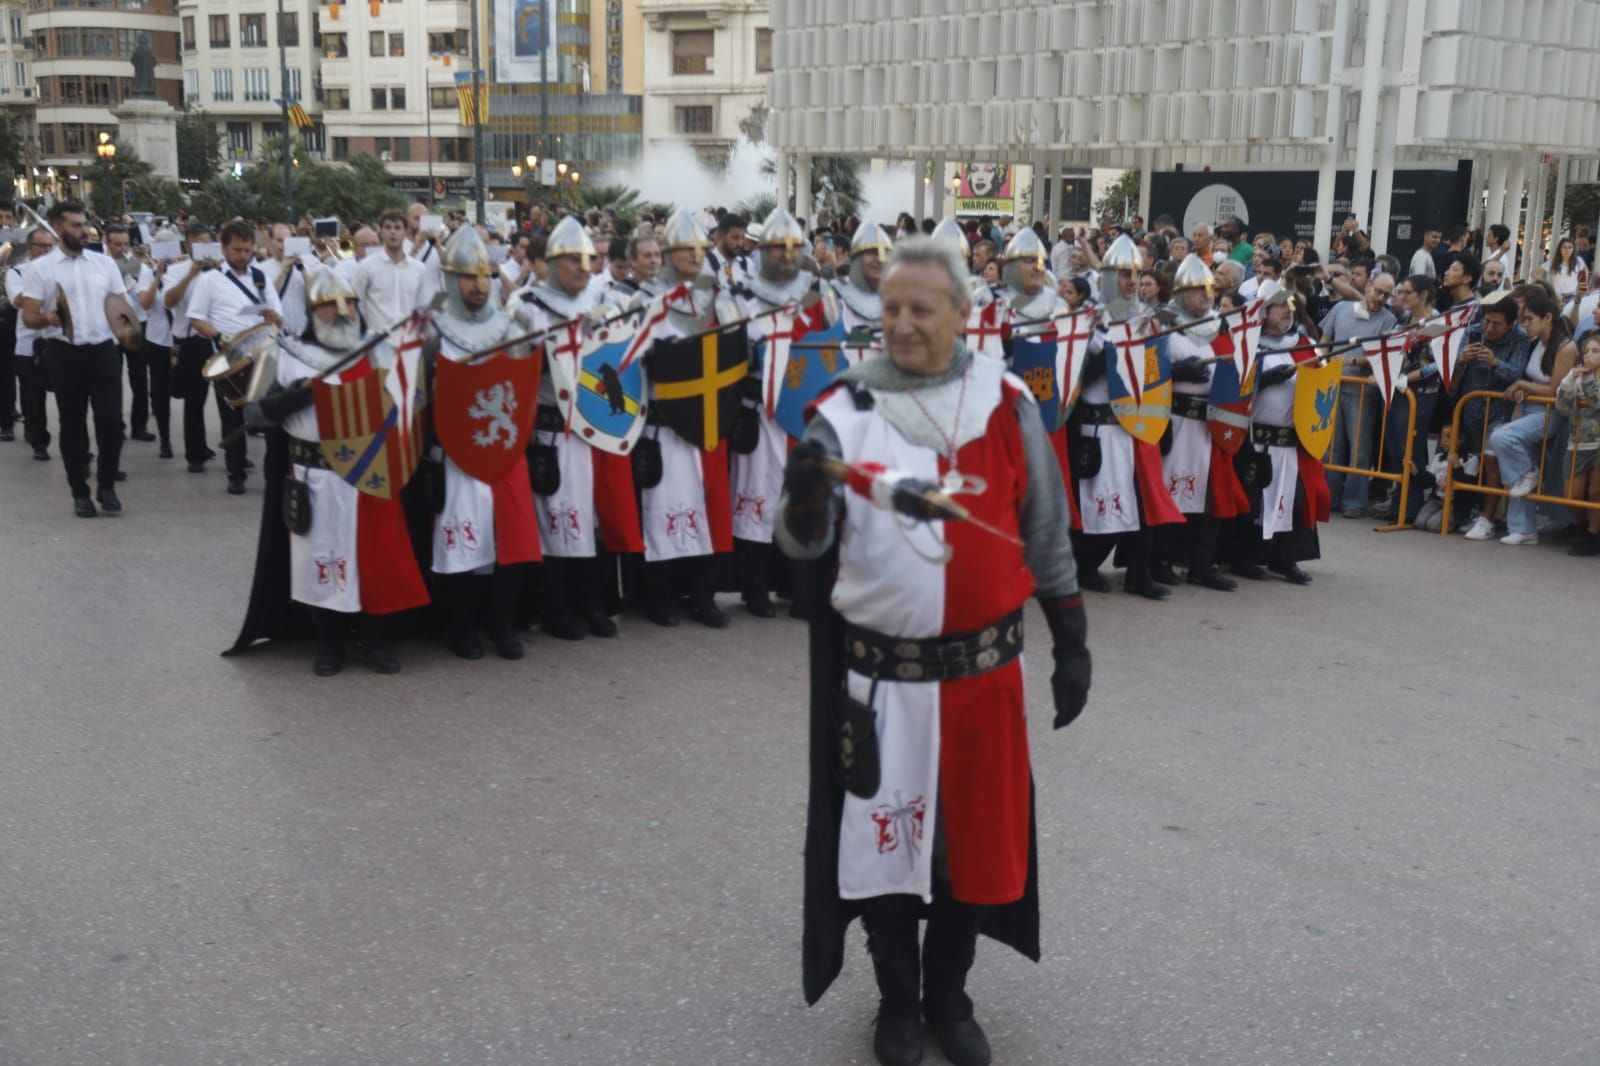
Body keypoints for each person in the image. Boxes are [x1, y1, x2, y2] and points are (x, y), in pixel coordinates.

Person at [777, 234, 1091, 1066]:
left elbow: (1046, 531)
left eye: (923, 308)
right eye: (891, 309)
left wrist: (1072, 638)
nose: (905, 324)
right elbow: (804, 549)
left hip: (985, 679)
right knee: (889, 846)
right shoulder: (843, 414)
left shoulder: (1008, 402)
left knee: (970, 851)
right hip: (886, 685)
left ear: (965, 313)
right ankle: (898, 1001)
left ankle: (950, 993)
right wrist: (805, 501)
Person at [236, 267, 430, 674]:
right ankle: (329, 644)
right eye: (329, 306)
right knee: (318, 561)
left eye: (349, 305)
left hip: (370, 470)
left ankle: (376, 640)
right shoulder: (285, 352)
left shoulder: (378, 351)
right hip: (313, 474)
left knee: (376, 559)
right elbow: (254, 415)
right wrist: (289, 400)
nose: (342, 313)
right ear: (311, 311)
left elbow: (405, 406)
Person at [517, 215, 643, 638]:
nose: (581, 267)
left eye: (586, 259)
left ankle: (593, 604)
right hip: (553, 431)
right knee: (558, 521)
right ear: (552, 261)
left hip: (600, 429)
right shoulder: (527, 307)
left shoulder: (603, 304)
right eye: (572, 259)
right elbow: (514, 370)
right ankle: (557, 609)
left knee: (596, 520)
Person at [427, 225, 543, 658]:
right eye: (467, 277)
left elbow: (522, 385)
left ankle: (502, 625)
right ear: (450, 279)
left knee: (511, 542)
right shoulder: (434, 331)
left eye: (484, 277)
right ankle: (461, 627)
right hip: (456, 452)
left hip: (503, 450)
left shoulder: (508, 326)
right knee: (462, 546)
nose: (477, 286)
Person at [717, 208, 830, 617]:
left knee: (801, 499)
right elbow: (729, 356)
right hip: (761, 414)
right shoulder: (741, 298)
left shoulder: (817, 295)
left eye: (791, 249)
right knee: (757, 500)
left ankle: (798, 588)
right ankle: (755, 588)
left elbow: (831, 350)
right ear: (760, 250)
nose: (784, 256)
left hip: (803, 416)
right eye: (776, 249)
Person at [628, 210, 733, 629]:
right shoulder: (645, 300)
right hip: (664, 423)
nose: (695, 255)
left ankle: (703, 598)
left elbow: (732, 350)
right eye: (686, 249)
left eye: (700, 249)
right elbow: (630, 360)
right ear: (669, 253)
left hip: (705, 423)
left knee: (705, 514)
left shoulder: (715, 298)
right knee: (662, 513)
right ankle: (660, 598)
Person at [18, 201, 143, 517]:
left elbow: (121, 306)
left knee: (112, 422)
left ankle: (106, 486)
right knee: (73, 425)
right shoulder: (40, 269)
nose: (84, 231)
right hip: (63, 353)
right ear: (58, 228)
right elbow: (29, 318)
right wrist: (47, 318)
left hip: (104, 351)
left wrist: (129, 332)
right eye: (75, 225)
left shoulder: (103, 265)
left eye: (85, 224)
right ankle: (80, 493)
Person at [1156, 254, 1249, 590]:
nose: (1205, 296)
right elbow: (1146, 369)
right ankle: (1160, 561)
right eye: (1197, 291)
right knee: (1169, 493)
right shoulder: (1164, 322)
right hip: (1176, 421)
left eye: (1208, 290)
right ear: (1181, 291)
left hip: (1210, 424)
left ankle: (1201, 565)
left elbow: (1233, 366)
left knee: (1209, 497)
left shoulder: (1217, 325)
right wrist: (1175, 372)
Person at [186, 219, 286, 495]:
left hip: (264, 355)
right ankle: (235, 473)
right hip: (230, 357)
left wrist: (275, 317)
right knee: (232, 418)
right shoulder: (210, 280)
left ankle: (271, 474)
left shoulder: (261, 278)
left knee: (269, 419)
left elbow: (278, 314)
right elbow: (195, 317)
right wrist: (218, 337)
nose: (242, 255)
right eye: (236, 250)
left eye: (247, 250)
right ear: (224, 248)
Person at [1236, 289, 1328, 582]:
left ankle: (1284, 559)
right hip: (1256, 439)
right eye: (1277, 306)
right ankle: (1245, 559)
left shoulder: (1305, 345)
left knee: (1295, 500)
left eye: (1288, 305)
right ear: (1262, 312)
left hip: (1292, 441)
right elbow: (1233, 386)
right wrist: (1262, 381)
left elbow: (1323, 384)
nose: (1286, 310)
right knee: (1253, 503)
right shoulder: (1248, 345)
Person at [1487, 289, 1580, 545]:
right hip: (1531, 410)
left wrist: (1522, 386)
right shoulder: (1536, 342)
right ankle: (1523, 528)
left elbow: (1555, 390)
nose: (1524, 324)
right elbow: (1531, 380)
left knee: (1502, 438)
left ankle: (1528, 478)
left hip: (1552, 413)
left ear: (1547, 318)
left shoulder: (1565, 347)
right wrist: (1522, 389)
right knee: (1519, 466)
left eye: (1529, 319)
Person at [1319, 271, 1398, 517]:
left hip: (1361, 390)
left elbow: (1382, 356)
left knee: (1359, 447)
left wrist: (1350, 360)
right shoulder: (1341, 308)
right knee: (1332, 445)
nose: (1381, 297)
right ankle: (1329, 497)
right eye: (1378, 291)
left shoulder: (1388, 320)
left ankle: (1354, 501)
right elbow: (1325, 339)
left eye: (1387, 294)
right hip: (1332, 383)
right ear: (1367, 287)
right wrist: (1323, 362)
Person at [7, 226, 56, 459]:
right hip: (30, 343)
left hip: (58, 340)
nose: (47, 250)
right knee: (33, 397)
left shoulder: (60, 269)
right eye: (42, 246)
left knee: (71, 395)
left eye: (50, 246)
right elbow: (18, 300)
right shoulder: (16, 272)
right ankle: (38, 441)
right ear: (30, 248)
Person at [1552, 335, 1600, 555]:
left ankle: (1593, 535)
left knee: (1595, 493)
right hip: (1578, 443)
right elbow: (1562, 406)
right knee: (1572, 494)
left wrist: (1589, 380)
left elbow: (1596, 402)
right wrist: (1571, 378)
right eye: (1587, 351)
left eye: (1596, 351)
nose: (1590, 355)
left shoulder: (1591, 380)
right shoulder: (1577, 377)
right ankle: (1582, 527)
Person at [352, 210, 428, 333]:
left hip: (408, 341)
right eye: (388, 227)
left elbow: (421, 307)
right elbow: (354, 303)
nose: (393, 232)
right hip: (377, 342)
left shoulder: (419, 268)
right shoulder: (366, 266)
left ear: (406, 233)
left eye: (398, 228)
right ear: (381, 232)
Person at [1545, 237, 1586, 304]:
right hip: (1558, 297)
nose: (1567, 250)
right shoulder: (1553, 262)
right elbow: (1534, 273)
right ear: (1560, 249)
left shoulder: (1578, 260)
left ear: (1573, 249)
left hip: (1573, 296)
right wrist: (1547, 286)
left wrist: (1582, 286)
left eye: (1570, 247)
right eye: (1564, 247)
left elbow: (1585, 271)